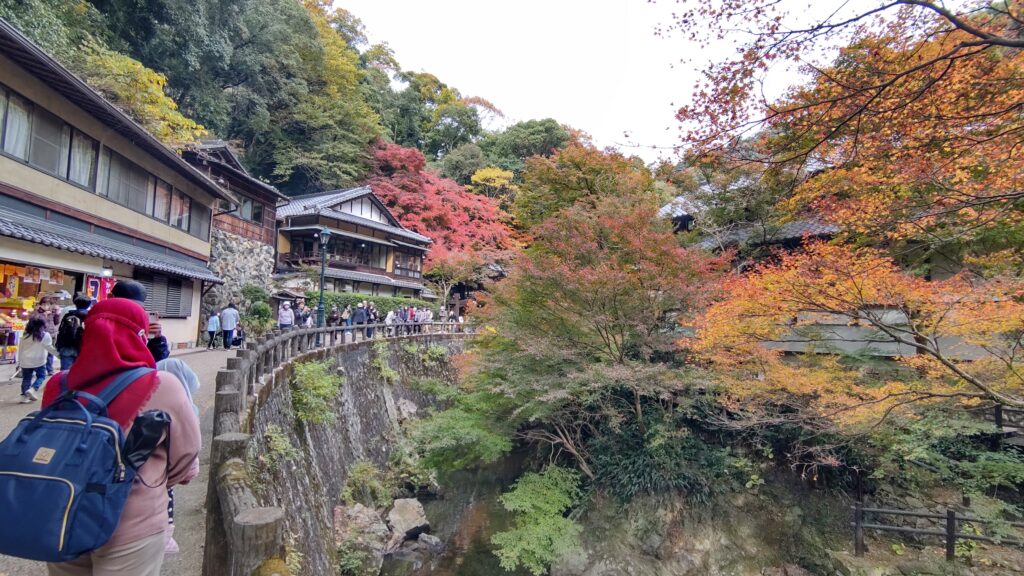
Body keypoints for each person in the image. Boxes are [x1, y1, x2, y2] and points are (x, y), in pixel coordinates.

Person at [42, 297, 200, 576]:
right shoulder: (162, 384)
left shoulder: (59, 383)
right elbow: (186, 459)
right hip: (132, 520)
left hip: (63, 513)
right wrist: (150, 483)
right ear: (140, 335)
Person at [154, 358, 201, 555]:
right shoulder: (186, 408)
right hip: (156, 487)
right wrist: (168, 479)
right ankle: (165, 538)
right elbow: (189, 460)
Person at [15, 316, 58, 403]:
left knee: (26, 378)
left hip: (25, 360)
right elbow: (49, 348)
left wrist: (19, 362)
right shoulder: (45, 335)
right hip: (39, 361)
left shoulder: (25, 335)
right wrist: (59, 355)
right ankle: (33, 389)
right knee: (41, 376)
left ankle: (24, 396)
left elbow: (20, 349)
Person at [56, 293, 92, 370]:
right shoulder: (90, 317)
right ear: (88, 305)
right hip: (83, 349)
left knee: (64, 375)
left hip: (66, 347)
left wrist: (58, 347)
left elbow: (61, 329)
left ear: (75, 304)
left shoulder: (68, 315)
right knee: (80, 375)